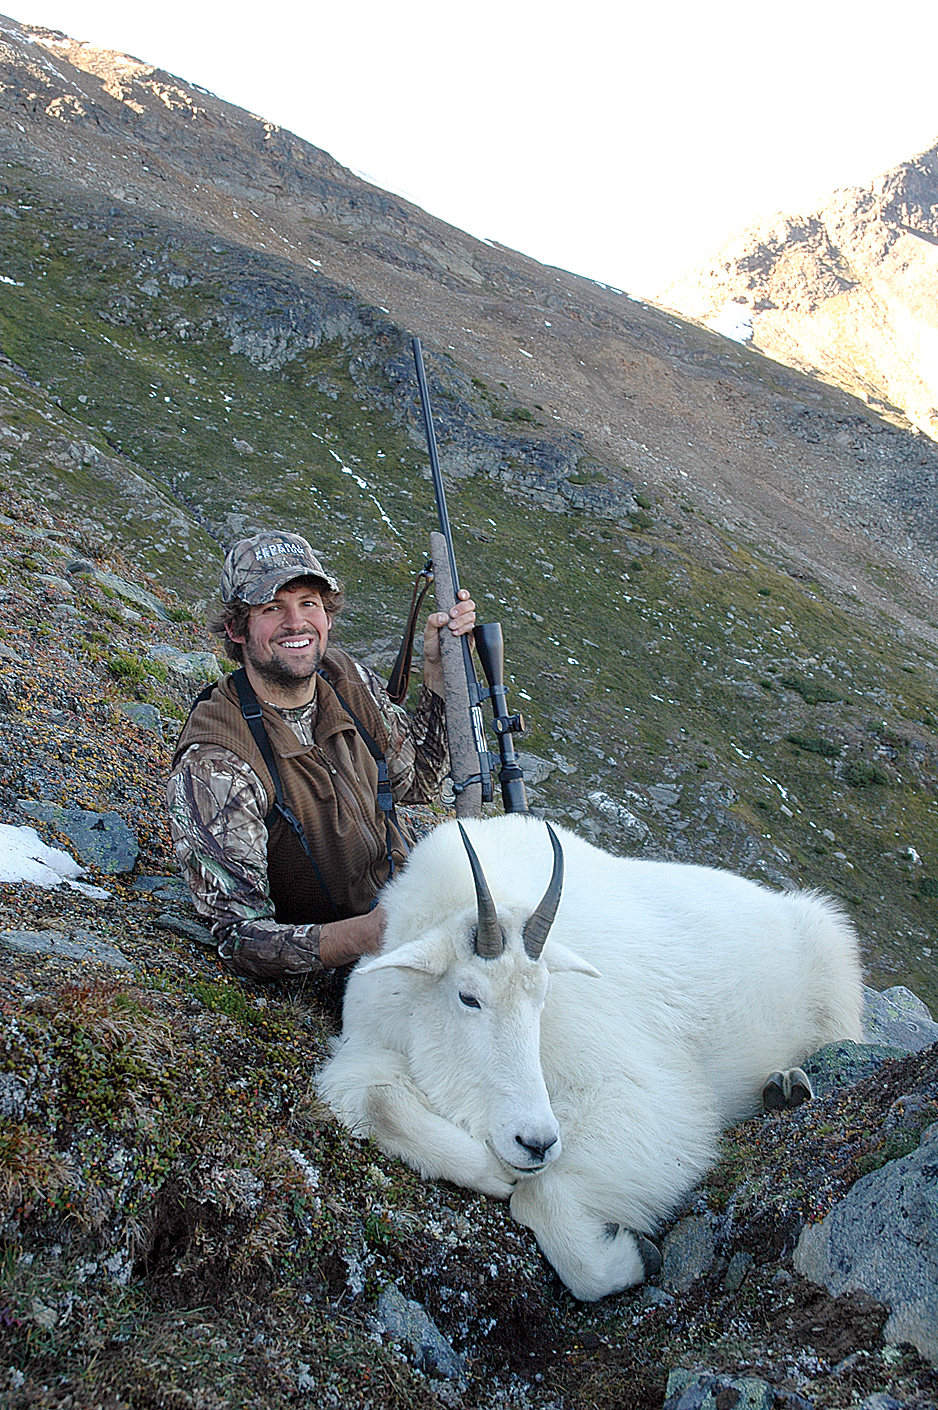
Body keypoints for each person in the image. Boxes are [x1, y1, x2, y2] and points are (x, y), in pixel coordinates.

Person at [166, 529, 475, 982]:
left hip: (409, 908)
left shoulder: (345, 679)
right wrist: (368, 935)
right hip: (346, 968)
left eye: (309, 602)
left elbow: (420, 781)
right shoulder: (217, 764)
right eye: (272, 608)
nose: (296, 622)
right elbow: (240, 938)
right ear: (236, 628)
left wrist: (436, 669)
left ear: (327, 615)